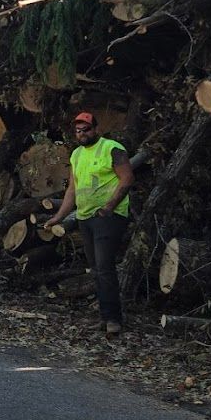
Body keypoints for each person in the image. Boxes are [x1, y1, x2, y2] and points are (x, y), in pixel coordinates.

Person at [44, 111, 135, 335]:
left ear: (96, 129)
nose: (82, 133)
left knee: (104, 267)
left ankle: (114, 319)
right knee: (95, 269)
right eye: (78, 130)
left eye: (86, 129)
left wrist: (110, 206)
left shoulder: (111, 148)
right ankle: (105, 317)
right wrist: (59, 217)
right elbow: (72, 191)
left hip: (108, 217)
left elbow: (127, 179)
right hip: (85, 218)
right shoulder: (76, 155)